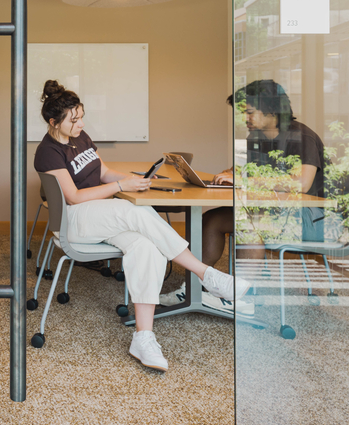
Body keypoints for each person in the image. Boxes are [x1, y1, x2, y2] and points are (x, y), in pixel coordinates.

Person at [34, 80, 249, 372]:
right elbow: (72, 197)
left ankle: (143, 337)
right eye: (74, 120)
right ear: (53, 122)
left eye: (82, 116)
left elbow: (104, 172)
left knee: (146, 245)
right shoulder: (48, 151)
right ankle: (204, 273)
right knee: (133, 210)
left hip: (98, 216)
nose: (81, 123)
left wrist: (137, 180)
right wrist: (123, 186)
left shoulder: (80, 138)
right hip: (74, 220)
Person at [160, 80, 325, 314]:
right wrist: (230, 173)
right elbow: (247, 170)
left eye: (249, 112)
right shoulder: (257, 136)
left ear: (271, 109)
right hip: (272, 211)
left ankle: (242, 299)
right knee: (213, 219)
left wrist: (244, 180)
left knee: (247, 224)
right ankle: (195, 287)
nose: (244, 118)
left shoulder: (301, 137)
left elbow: (302, 183)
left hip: (306, 218)